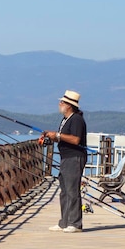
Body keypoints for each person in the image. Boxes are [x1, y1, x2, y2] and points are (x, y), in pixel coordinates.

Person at [43, 90, 87, 233]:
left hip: (74, 157)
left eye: (62, 102)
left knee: (73, 190)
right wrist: (52, 137)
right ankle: (64, 222)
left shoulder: (76, 120)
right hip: (66, 158)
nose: (59, 104)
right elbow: (62, 137)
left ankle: (75, 223)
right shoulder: (65, 120)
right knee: (64, 191)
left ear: (69, 105)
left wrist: (58, 135)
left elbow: (75, 139)